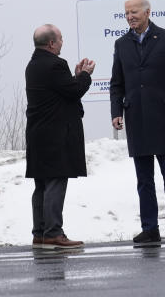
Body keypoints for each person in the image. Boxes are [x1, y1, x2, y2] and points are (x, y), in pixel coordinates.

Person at [110, 0, 165, 244]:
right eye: (126, 13)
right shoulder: (121, 44)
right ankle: (150, 228)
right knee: (144, 180)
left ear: (147, 12)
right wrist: (116, 112)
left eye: (134, 12)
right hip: (137, 119)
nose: (130, 17)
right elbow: (116, 83)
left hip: (164, 119)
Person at [24, 24, 95, 250]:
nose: (63, 42)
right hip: (56, 134)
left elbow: (62, 92)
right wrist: (84, 76)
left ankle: (40, 233)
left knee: (41, 185)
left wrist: (74, 77)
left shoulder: (33, 64)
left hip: (37, 133)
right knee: (56, 181)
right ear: (52, 43)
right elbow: (73, 92)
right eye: (61, 39)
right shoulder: (55, 64)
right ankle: (53, 233)